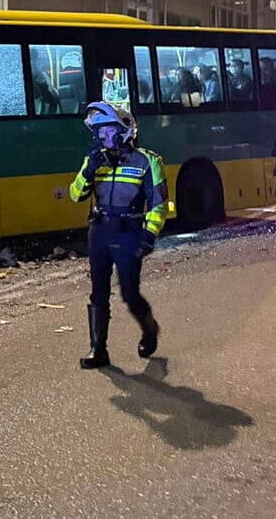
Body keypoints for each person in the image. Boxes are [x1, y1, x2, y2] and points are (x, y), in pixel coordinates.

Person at [69, 102, 168, 369]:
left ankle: (149, 329)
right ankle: (97, 350)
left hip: (129, 233)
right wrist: (89, 171)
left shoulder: (147, 161)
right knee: (97, 293)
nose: (103, 137)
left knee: (129, 292)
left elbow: (158, 203)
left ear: (124, 130)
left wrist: (149, 234)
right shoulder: (95, 161)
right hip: (100, 231)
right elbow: (75, 195)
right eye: (99, 132)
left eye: (108, 130)